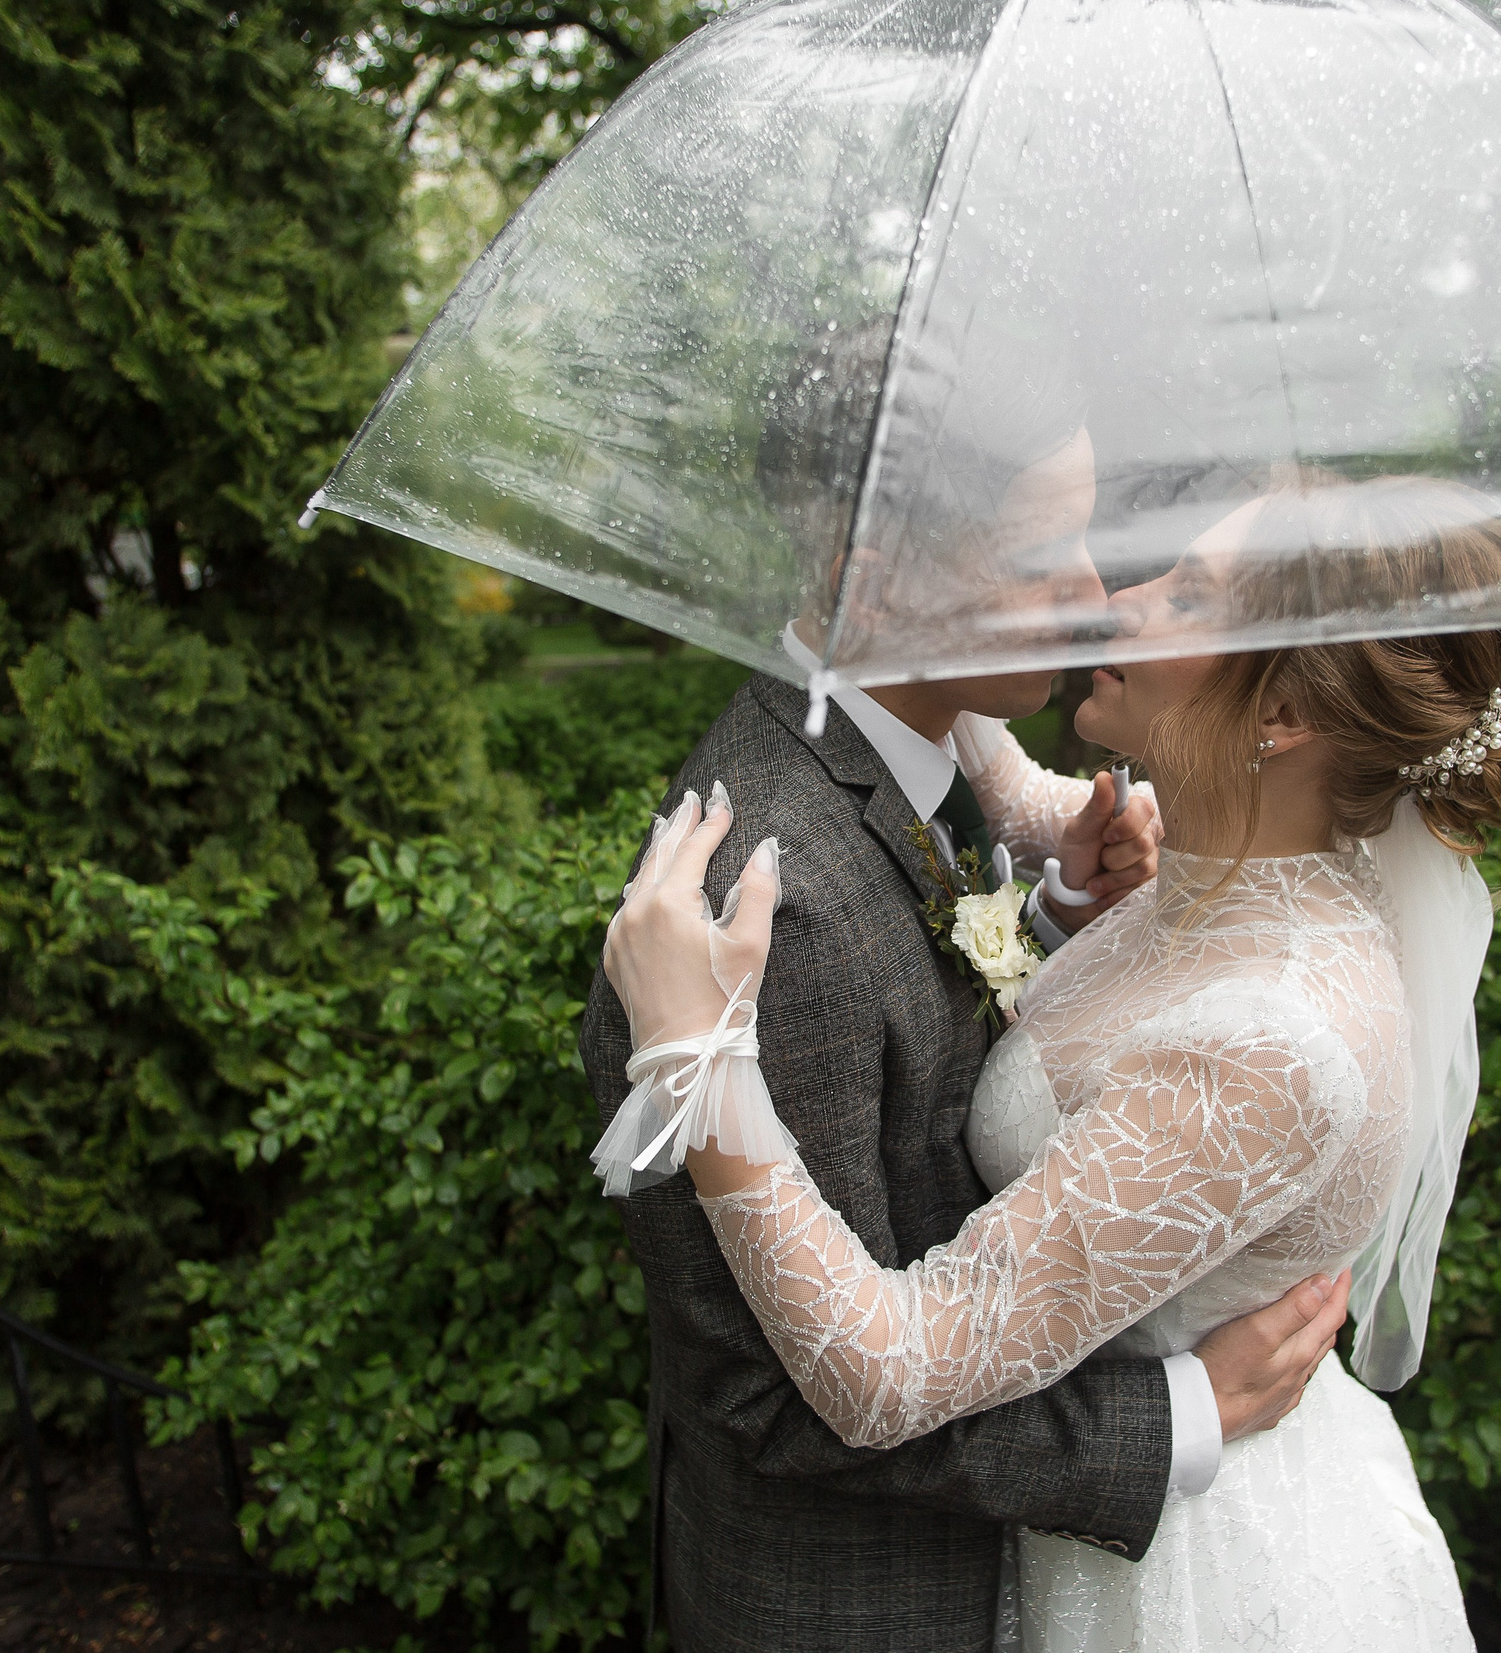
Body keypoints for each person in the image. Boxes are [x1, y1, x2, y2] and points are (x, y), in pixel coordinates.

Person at [600, 471, 1501, 1650]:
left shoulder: (1272, 1041)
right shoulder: (1232, 858)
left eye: (1185, 593)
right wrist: (1057, 900)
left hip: (1193, 1578)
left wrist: (699, 1058)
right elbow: (991, 776)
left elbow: (885, 1373)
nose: (1115, 596)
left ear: (1281, 714)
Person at [577, 337, 1353, 1653]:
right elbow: (780, 1393)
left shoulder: (913, 756)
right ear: (881, 576)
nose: (1092, 591)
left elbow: (916, 1064)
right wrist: (1181, 1414)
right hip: (860, 1606)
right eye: (1041, 553)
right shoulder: (773, 905)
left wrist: (1046, 921)